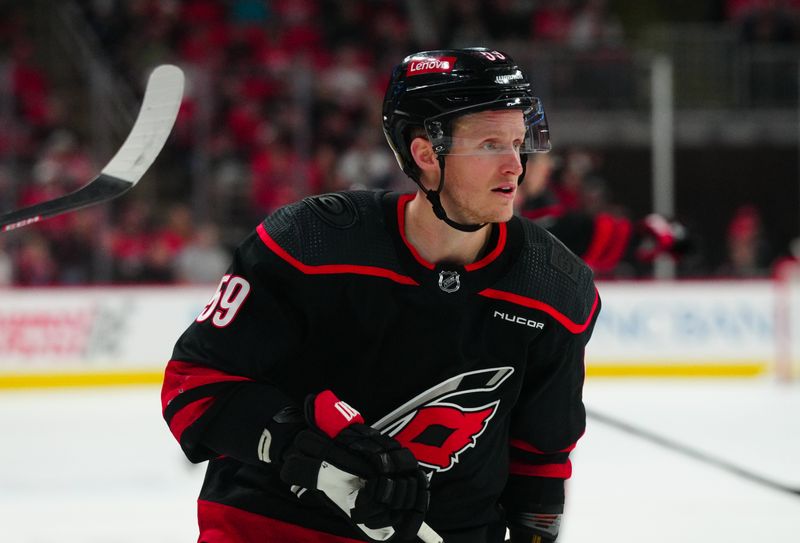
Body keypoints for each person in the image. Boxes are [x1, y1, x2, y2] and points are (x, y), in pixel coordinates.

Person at [161, 47, 601, 543]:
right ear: (425, 153)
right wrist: (302, 446)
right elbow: (194, 386)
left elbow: (540, 466)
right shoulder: (311, 244)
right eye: (489, 145)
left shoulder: (555, 288)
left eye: (519, 143)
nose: (514, 167)